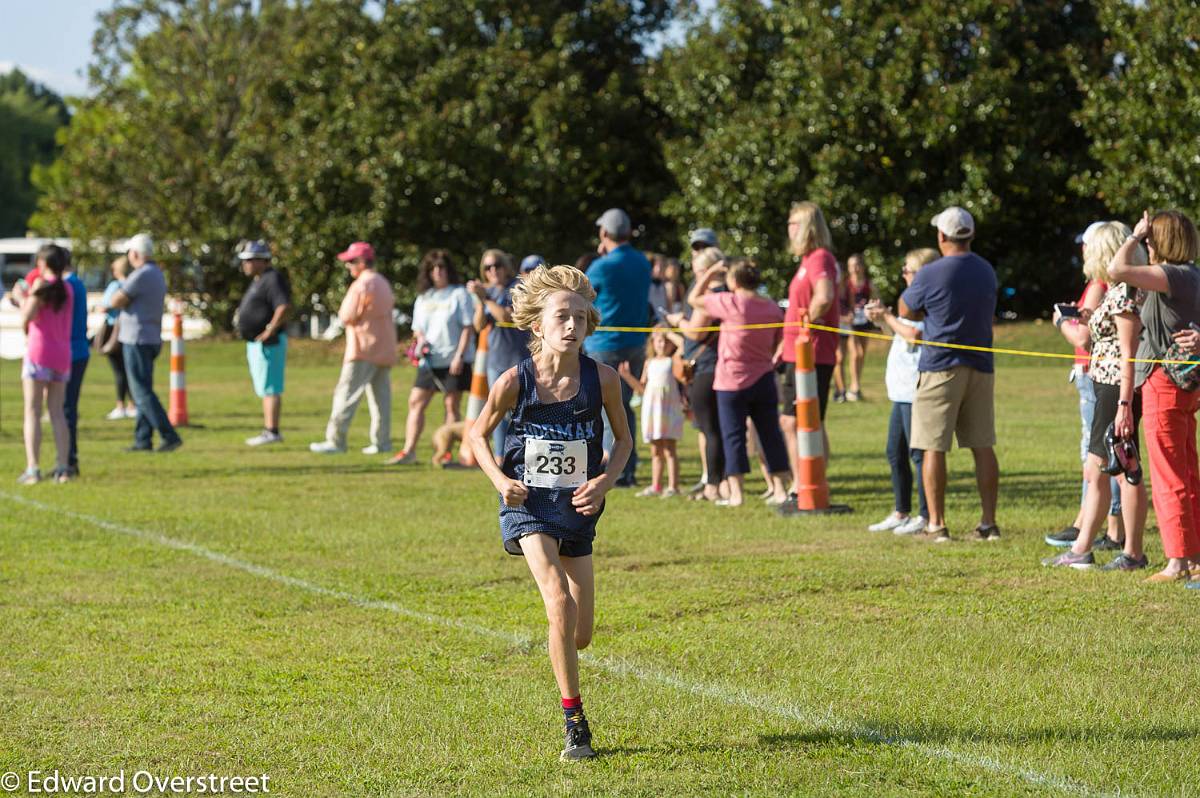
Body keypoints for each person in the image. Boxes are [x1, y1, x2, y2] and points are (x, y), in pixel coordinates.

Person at [465, 264, 631, 762]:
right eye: (562, 316)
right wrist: (501, 481)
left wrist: (603, 481)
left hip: (578, 508)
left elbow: (623, 440)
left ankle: (565, 658)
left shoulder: (601, 379)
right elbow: (475, 435)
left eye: (580, 317)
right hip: (529, 505)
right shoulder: (516, 380)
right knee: (557, 601)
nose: (572, 325)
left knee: (580, 632)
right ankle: (574, 721)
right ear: (538, 325)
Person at [1043, 221, 1149, 570]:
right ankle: (1082, 547)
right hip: (1105, 384)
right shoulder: (1117, 289)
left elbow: (1128, 352)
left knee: (1122, 468)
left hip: (1116, 388)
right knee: (1097, 468)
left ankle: (1132, 552)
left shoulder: (1127, 291)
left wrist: (1123, 404)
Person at [1107, 210, 1200, 583]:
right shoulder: (1193, 275)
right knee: (1187, 473)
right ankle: (1192, 555)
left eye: (1150, 239)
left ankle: (1177, 560)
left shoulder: (1172, 275)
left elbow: (1116, 270)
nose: (1146, 244)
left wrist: (1133, 237)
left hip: (1164, 385)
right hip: (1185, 386)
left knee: (1169, 476)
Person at [899, 206, 999, 542]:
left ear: (942, 237)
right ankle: (988, 524)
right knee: (982, 445)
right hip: (981, 367)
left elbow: (905, 308)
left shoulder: (931, 272)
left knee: (933, 447)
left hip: (940, 366)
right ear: (969, 235)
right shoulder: (987, 270)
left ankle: (937, 525)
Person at [689, 258, 791, 507]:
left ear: (733, 281)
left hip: (731, 382)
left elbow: (694, 299)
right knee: (771, 435)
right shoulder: (771, 307)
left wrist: (710, 272)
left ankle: (737, 494)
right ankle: (779, 490)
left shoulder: (730, 302)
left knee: (733, 436)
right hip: (764, 379)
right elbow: (781, 337)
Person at [864, 248, 937, 536]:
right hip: (901, 393)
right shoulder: (909, 304)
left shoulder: (926, 304)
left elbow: (913, 335)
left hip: (915, 391)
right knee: (894, 453)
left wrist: (888, 317)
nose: (904, 275)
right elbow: (899, 332)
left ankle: (925, 515)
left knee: (917, 455)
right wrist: (882, 319)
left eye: (908, 270)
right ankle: (901, 511)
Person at [585, 208, 652, 487]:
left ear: (604, 233)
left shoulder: (602, 266)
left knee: (608, 408)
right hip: (636, 343)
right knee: (624, 406)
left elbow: (583, 292)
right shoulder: (643, 262)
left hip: (605, 343)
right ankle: (627, 467)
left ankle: (617, 469)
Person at [388, 250, 475, 464]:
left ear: (449, 270)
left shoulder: (459, 294)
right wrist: (421, 341)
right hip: (429, 360)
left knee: (451, 405)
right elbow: (418, 328)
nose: (438, 272)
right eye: (433, 268)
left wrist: (459, 356)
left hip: (454, 359)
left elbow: (467, 327)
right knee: (415, 401)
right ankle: (409, 451)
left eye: (442, 267)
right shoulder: (424, 297)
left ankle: (446, 452)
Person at [310, 241, 396, 454]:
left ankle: (336, 441)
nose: (348, 266)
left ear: (361, 261)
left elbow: (346, 315)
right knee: (381, 400)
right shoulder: (383, 282)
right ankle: (381, 442)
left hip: (362, 349)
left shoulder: (361, 284)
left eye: (351, 261)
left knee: (345, 395)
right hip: (384, 349)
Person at [780, 201, 839, 489]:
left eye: (794, 224)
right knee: (794, 421)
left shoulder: (820, 258)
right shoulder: (806, 261)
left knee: (804, 421)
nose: (789, 230)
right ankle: (803, 483)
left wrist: (806, 323)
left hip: (812, 353)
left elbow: (824, 296)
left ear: (808, 228)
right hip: (796, 352)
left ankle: (808, 485)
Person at [109, 233, 183, 453]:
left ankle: (168, 434)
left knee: (140, 392)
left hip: (136, 338)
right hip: (151, 336)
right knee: (143, 390)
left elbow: (116, 300)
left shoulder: (140, 275)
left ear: (135, 253)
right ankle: (143, 439)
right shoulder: (157, 273)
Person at [668, 247, 726, 502]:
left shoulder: (712, 295)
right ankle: (721, 481)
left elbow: (695, 332)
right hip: (717, 365)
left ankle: (713, 484)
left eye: (699, 270)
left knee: (708, 428)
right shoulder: (728, 292)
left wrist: (677, 321)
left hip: (706, 367)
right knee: (718, 428)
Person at [18, 244, 75, 483]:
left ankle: (33, 467)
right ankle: (63, 466)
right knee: (57, 413)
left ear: (43, 264)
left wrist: (21, 297)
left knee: (32, 411)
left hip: (39, 352)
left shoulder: (41, 286)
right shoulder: (69, 288)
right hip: (62, 354)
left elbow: (27, 316)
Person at [468, 249, 530, 457]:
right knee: (498, 410)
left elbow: (507, 316)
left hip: (519, 360)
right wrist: (480, 300)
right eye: (487, 267)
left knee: (523, 411)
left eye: (497, 265)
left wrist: (485, 298)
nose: (493, 270)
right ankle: (501, 457)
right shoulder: (489, 292)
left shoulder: (517, 288)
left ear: (506, 267)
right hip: (496, 362)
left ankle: (523, 454)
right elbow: (479, 325)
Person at [234, 239, 292, 446]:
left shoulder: (272, 278)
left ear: (262, 260)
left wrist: (270, 329)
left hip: (270, 343)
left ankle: (272, 431)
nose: (245, 264)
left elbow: (283, 306)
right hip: (257, 343)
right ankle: (269, 429)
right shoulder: (259, 279)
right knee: (265, 387)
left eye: (249, 260)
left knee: (270, 388)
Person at [619, 326, 684, 497]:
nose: (662, 344)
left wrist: (668, 331)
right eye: (658, 340)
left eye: (665, 341)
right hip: (653, 411)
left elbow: (683, 344)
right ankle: (656, 486)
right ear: (653, 343)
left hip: (668, 410)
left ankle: (673, 486)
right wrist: (627, 376)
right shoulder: (649, 363)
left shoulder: (673, 361)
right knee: (655, 450)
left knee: (670, 449)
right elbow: (642, 389)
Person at [58, 250, 90, 477]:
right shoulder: (77, 283)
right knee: (68, 407)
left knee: (65, 409)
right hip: (79, 350)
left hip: (69, 352)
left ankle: (68, 460)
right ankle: (70, 458)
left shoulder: (66, 286)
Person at [97, 257, 136, 420]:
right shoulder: (134, 284)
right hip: (131, 329)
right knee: (130, 369)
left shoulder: (116, 286)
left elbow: (105, 306)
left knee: (119, 371)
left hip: (115, 330)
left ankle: (121, 405)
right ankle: (133, 404)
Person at [838, 253, 876, 402]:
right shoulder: (847, 284)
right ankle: (853, 387)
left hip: (864, 322)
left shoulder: (868, 284)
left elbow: (873, 298)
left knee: (861, 354)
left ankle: (856, 384)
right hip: (851, 322)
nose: (854, 269)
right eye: (850, 266)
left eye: (856, 265)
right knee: (855, 353)